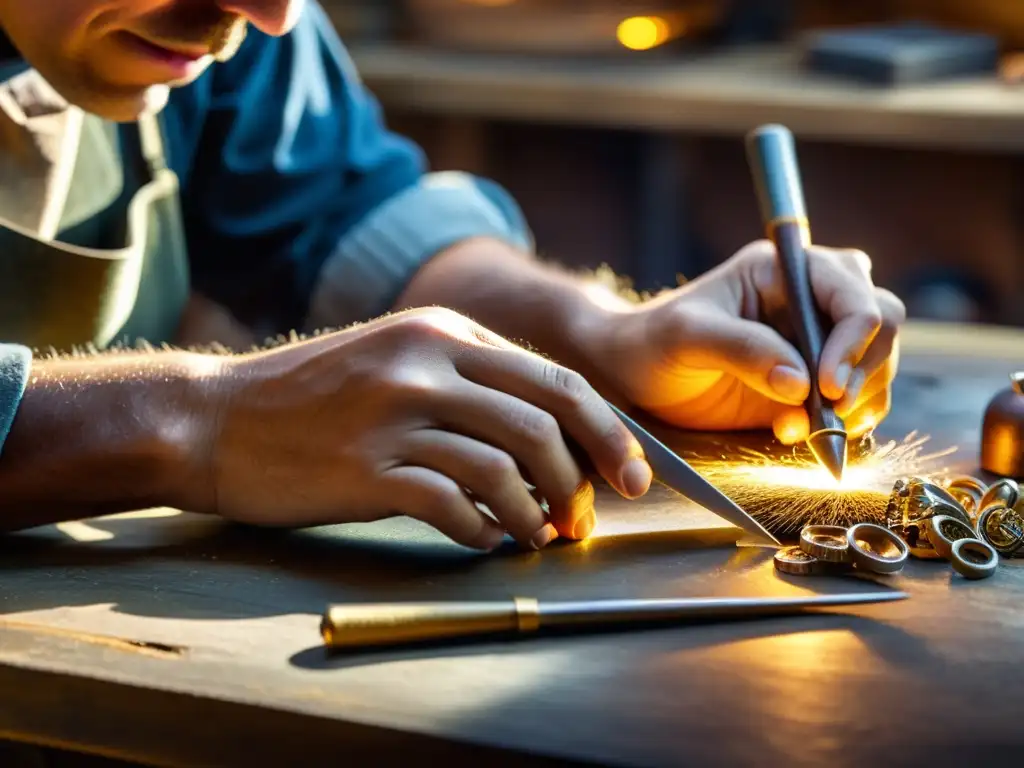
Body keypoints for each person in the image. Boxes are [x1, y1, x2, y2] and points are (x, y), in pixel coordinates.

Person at [0, 0, 904, 552]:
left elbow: (344, 219)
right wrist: (203, 422)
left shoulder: (230, 25)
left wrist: (602, 332)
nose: (269, 16)